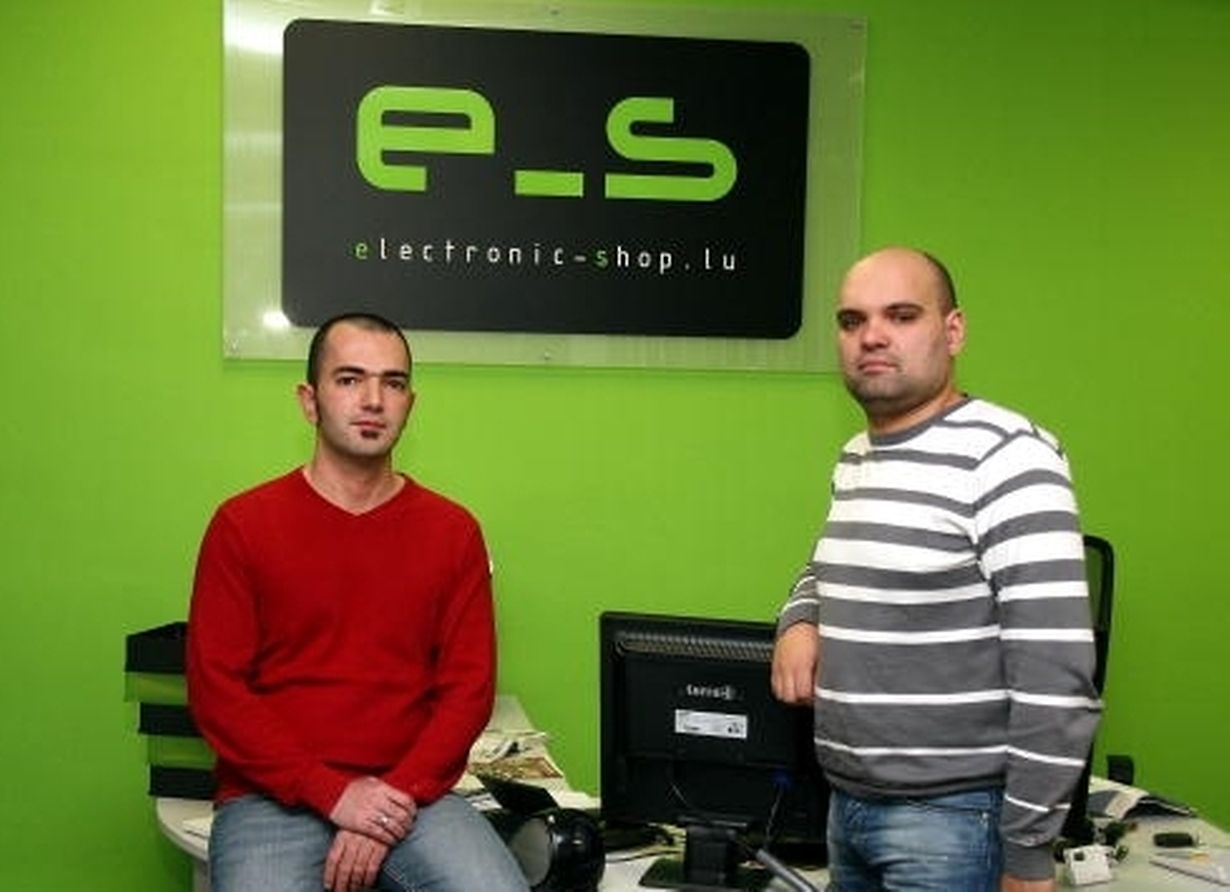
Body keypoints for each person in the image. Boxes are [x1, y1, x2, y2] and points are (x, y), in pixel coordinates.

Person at [771, 247, 1100, 891]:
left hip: (954, 825)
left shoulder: (1008, 457)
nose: (871, 336)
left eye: (901, 315)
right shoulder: (858, 455)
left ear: (953, 332)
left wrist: (1028, 856)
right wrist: (800, 618)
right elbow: (829, 564)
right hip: (848, 809)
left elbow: (1056, 676)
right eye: (852, 320)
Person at [186, 313, 529, 892]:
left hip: (412, 797)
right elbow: (217, 692)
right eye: (349, 379)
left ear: (409, 405)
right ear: (309, 401)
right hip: (272, 797)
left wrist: (387, 803)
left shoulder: (453, 532)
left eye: (393, 383)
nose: (373, 400)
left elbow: (467, 691)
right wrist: (334, 794)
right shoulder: (243, 525)